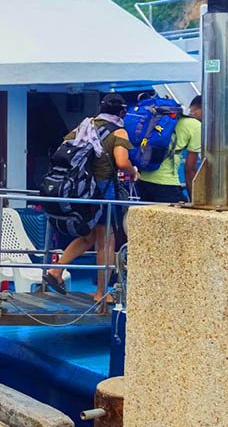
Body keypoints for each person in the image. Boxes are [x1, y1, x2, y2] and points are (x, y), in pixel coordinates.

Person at [43, 94, 138, 303]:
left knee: (89, 237)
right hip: (103, 191)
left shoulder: (86, 125)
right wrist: (134, 171)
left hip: (81, 189)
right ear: (122, 112)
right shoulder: (118, 131)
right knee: (106, 241)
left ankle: (55, 271)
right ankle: (101, 293)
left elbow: (66, 147)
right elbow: (122, 162)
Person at [136, 95, 203, 203]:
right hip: (166, 183)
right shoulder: (196, 126)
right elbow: (190, 169)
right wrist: (194, 200)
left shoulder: (167, 118)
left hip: (143, 182)